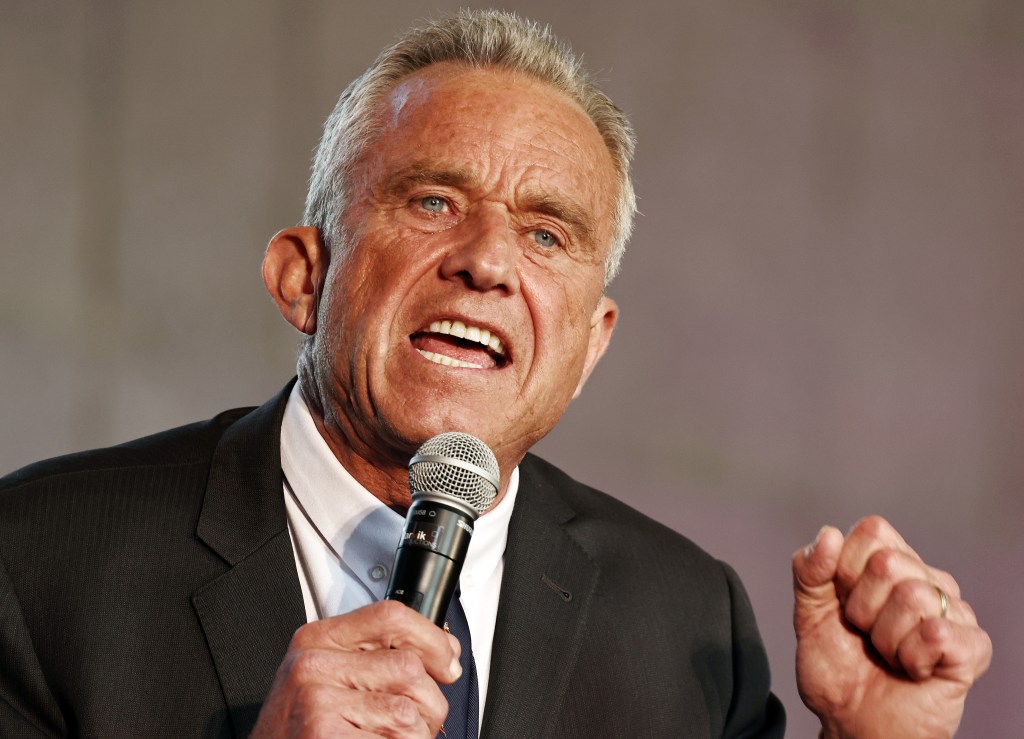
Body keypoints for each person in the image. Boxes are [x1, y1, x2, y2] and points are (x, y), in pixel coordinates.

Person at [0, 10, 990, 739]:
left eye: (547, 232)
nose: (489, 260)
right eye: (433, 202)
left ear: (590, 342)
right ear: (303, 276)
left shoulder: (684, 622)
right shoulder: (38, 565)